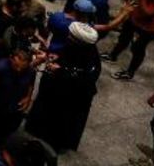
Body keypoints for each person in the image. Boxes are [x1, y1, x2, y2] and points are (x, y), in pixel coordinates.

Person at [25, 22, 100, 152]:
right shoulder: (75, 47)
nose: (68, 39)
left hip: (69, 100)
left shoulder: (92, 60)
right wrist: (57, 58)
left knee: (60, 124)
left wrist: (61, 71)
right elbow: (66, 55)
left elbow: (83, 79)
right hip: (54, 90)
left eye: (71, 37)